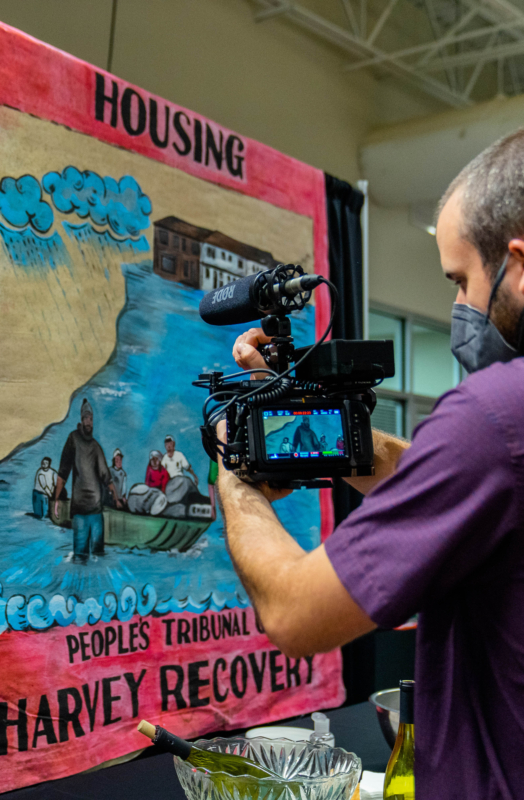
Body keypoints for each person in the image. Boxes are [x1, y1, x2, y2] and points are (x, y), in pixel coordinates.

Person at [218, 130, 524, 800]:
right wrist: (306, 406)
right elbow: (442, 483)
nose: (461, 307)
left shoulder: (496, 414)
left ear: (518, 264)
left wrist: (237, 469)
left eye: (462, 280)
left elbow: (295, 615)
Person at [54, 399, 122, 563]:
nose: (88, 422)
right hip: (80, 511)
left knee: (99, 556)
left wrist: (116, 498)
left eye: (91, 419)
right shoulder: (73, 439)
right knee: (80, 558)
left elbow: (106, 475)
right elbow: (64, 470)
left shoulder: (96, 447)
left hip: (96, 511)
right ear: (81, 420)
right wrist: (56, 498)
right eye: (86, 418)